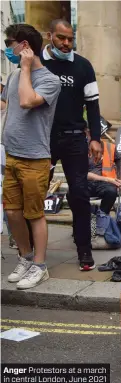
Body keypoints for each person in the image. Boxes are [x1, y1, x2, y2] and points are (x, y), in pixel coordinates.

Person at [2, 23, 61, 288]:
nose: (7, 49)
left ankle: (39, 265)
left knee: (34, 213)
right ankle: (25, 257)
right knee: (12, 212)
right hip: (11, 156)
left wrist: (25, 68)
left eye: (10, 43)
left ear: (25, 46)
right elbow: (8, 104)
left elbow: (26, 101)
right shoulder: (14, 76)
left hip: (35, 158)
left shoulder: (49, 80)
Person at [42, 19, 101, 272]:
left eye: (70, 38)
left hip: (75, 137)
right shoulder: (38, 63)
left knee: (79, 193)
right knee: (36, 191)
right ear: (49, 36)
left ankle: (84, 249)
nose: (66, 43)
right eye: (61, 38)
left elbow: (93, 105)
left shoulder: (83, 66)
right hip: (43, 138)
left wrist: (96, 138)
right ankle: (30, 249)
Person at [87, 139, 121, 214]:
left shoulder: (110, 147)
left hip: (105, 184)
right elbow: (82, 173)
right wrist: (108, 179)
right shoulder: (82, 147)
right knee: (71, 193)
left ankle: (102, 215)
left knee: (111, 192)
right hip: (86, 183)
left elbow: (120, 167)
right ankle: (82, 217)